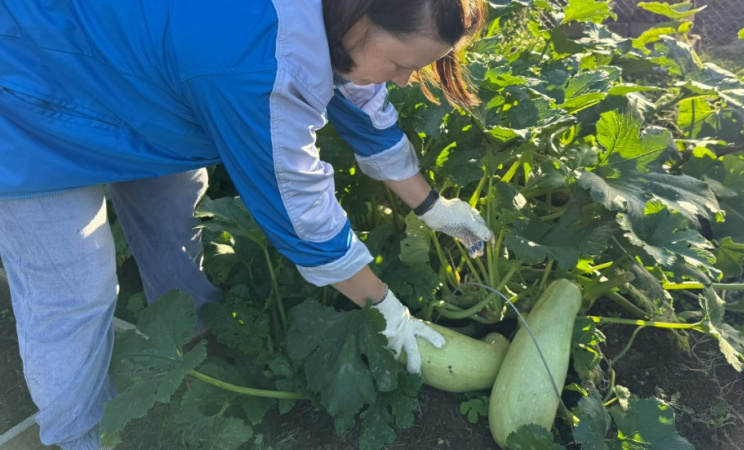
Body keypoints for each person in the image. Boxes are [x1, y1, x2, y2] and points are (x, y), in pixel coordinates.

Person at [0, 0, 492, 448]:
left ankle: (188, 349)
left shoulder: (330, 19)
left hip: (138, 75)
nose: (405, 80)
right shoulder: (261, 65)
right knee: (74, 292)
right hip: (29, 88)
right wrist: (387, 311)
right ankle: (78, 436)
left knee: (175, 220)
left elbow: (361, 102)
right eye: (403, 65)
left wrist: (431, 205)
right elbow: (302, 218)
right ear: (361, 18)